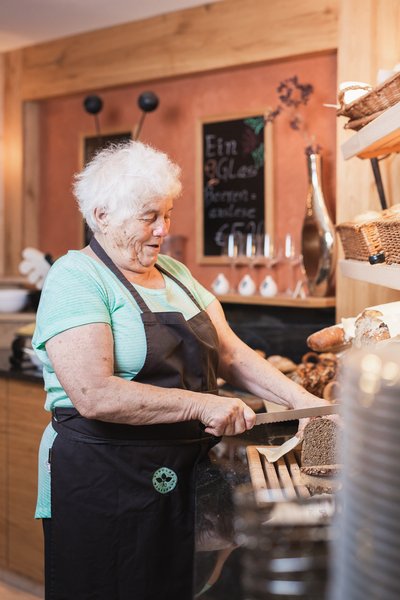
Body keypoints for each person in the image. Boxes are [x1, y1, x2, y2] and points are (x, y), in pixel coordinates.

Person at [33, 140, 328, 600]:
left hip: (183, 472)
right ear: (102, 214)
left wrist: (304, 402)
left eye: (167, 214)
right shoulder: (76, 278)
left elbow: (230, 352)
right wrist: (203, 404)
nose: (162, 230)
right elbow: (93, 393)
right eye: (149, 216)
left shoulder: (173, 273)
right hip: (105, 479)